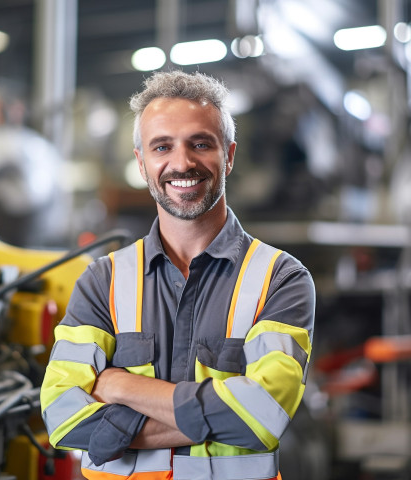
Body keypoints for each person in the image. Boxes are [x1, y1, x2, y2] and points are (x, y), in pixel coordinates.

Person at [40, 70, 315, 480]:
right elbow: (63, 417)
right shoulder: (103, 281)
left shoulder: (280, 279)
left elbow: (261, 417)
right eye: (162, 146)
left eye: (200, 144)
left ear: (230, 155)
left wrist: (121, 387)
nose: (182, 163)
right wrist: (218, 415)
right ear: (141, 161)